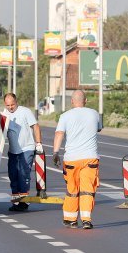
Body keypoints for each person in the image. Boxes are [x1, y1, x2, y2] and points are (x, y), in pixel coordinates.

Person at [52, 90, 102, 229]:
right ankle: (86, 219)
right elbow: (99, 129)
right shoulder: (94, 113)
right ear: (85, 101)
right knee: (88, 190)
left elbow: (59, 134)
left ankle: (70, 220)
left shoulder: (65, 116)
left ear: (72, 102)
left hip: (72, 159)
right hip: (90, 158)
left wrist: (56, 153)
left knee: (72, 189)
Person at [2, 93, 43, 211]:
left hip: (26, 148)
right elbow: (0, 130)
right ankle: (16, 201)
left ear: (16, 102)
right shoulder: (4, 115)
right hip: (13, 151)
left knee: (23, 174)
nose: (10, 107)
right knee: (13, 175)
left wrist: (38, 143)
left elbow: (35, 126)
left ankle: (24, 202)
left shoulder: (25, 112)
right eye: (8, 105)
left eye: (12, 104)